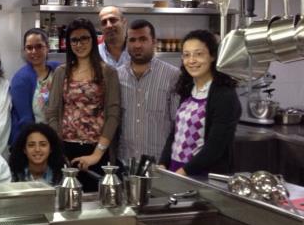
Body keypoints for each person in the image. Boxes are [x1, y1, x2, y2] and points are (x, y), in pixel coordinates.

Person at [46, 18, 120, 191]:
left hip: (97, 149)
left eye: (84, 38)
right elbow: (52, 112)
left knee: (96, 203)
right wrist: (59, 150)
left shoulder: (108, 72)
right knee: (67, 200)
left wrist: (96, 154)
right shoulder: (61, 72)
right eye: (74, 40)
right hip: (66, 149)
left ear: (93, 40)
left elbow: (113, 114)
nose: (79, 44)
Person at [160, 30, 241, 176]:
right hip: (177, 169)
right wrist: (163, 163)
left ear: (212, 56)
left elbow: (215, 147)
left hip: (203, 176)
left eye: (199, 54)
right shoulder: (188, 89)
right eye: (186, 55)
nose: (192, 60)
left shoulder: (224, 95)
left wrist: (184, 172)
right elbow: (175, 133)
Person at [117, 19, 180, 163]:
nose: (137, 45)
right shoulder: (117, 76)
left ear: (154, 42)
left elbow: (177, 124)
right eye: (132, 40)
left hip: (159, 163)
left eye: (143, 39)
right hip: (125, 162)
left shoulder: (172, 75)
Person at [9, 28, 59, 146]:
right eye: (29, 47)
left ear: (47, 47)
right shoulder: (20, 79)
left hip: (58, 137)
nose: (34, 51)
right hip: (32, 140)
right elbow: (25, 119)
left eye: (39, 46)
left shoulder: (58, 70)